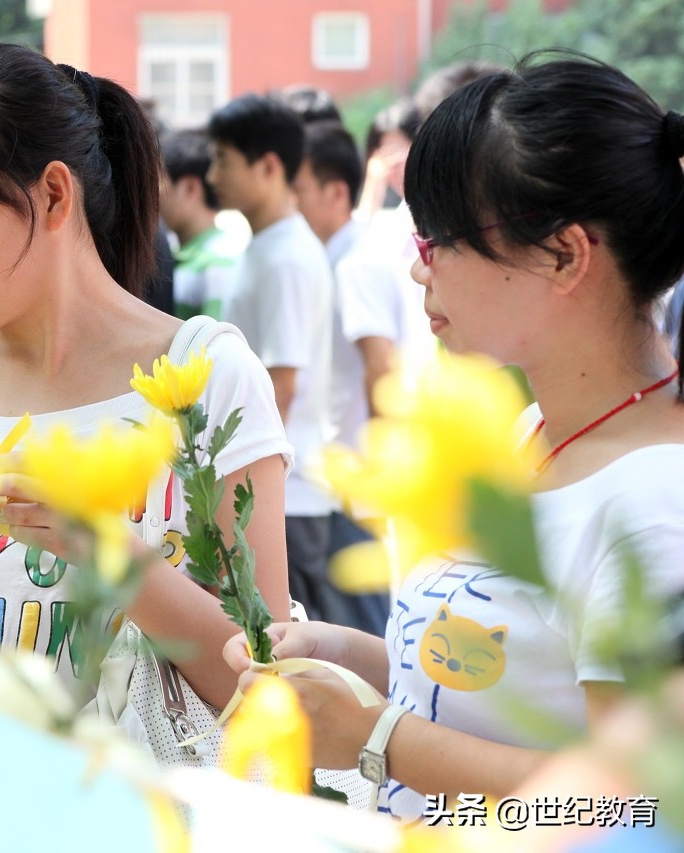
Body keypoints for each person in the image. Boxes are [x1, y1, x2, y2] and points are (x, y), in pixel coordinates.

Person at [225, 55, 684, 819]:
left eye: (439, 239)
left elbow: (641, 805)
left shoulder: (653, 500)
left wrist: (381, 738)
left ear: (565, 254)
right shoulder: (535, 428)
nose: (416, 269)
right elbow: (495, 675)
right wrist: (342, 656)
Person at [0, 44, 292, 708]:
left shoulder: (206, 376)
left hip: (155, 809)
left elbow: (272, 690)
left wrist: (107, 552)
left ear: (52, 194)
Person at [206, 94, 337, 624]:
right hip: (270, 489)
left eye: (223, 160)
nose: (213, 174)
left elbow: (282, 385)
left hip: (288, 493)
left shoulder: (286, 258)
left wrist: (246, 496)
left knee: (292, 651)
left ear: (268, 166)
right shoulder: (266, 246)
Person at [291, 120, 389, 637]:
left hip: (354, 476)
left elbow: (382, 366)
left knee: (363, 626)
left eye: (299, 189)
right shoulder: (334, 258)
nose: (291, 201)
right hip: (338, 475)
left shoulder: (355, 262)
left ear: (336, 192)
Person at [159, 128, 244, 320]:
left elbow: (214, 347)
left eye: (159, 182)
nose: (154, 196)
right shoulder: (179, 255)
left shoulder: (218, 262)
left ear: (189, 188)